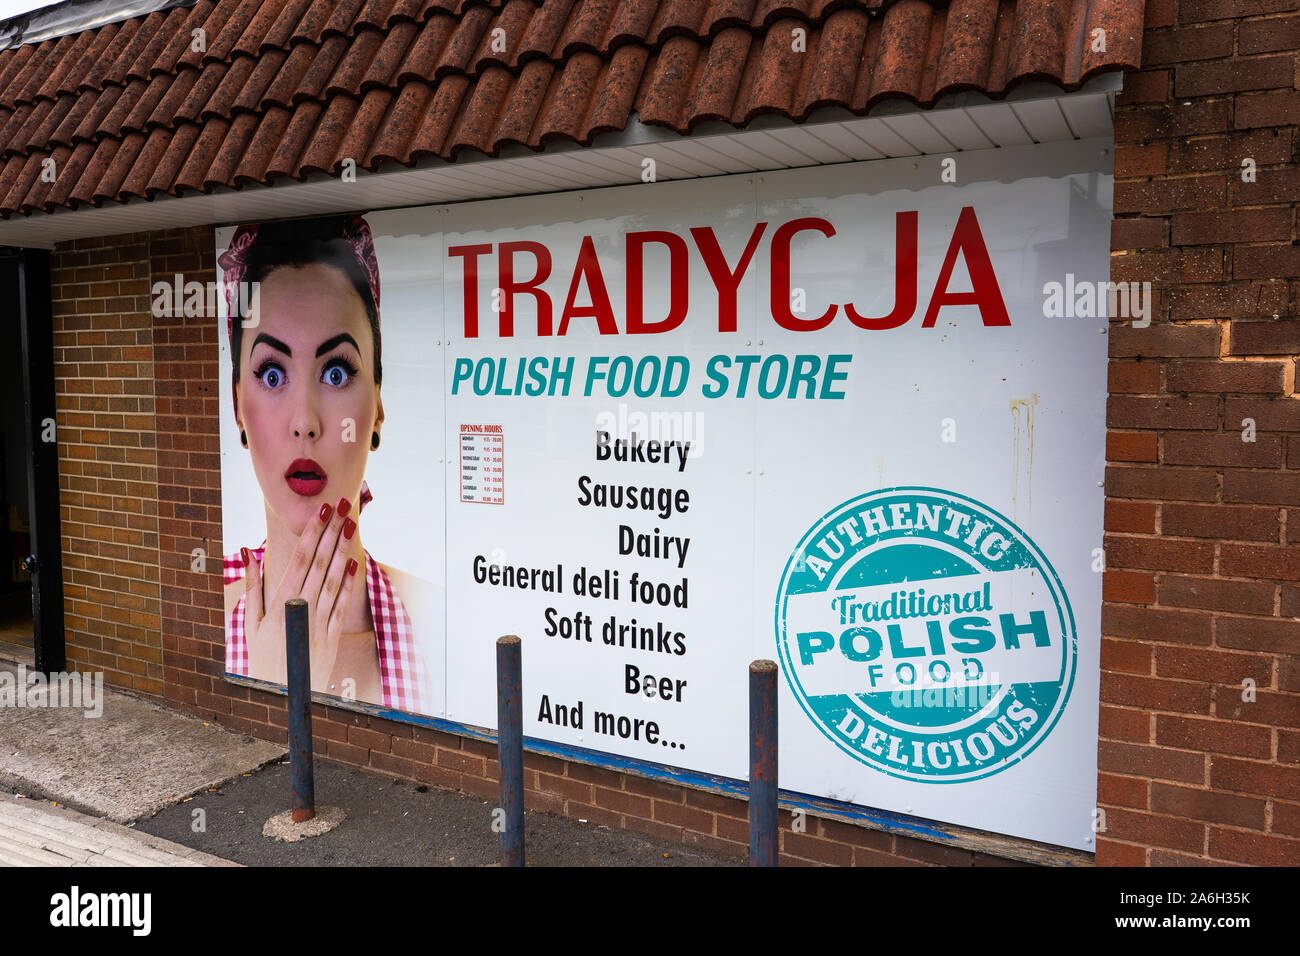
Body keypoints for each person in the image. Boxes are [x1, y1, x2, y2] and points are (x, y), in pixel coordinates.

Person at [219, 214, 432, 714]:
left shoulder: (439, 618)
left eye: (336, 371)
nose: (304, 422)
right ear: (238, 410)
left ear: (376, 408)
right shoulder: (198, 614)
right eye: (272, 375)